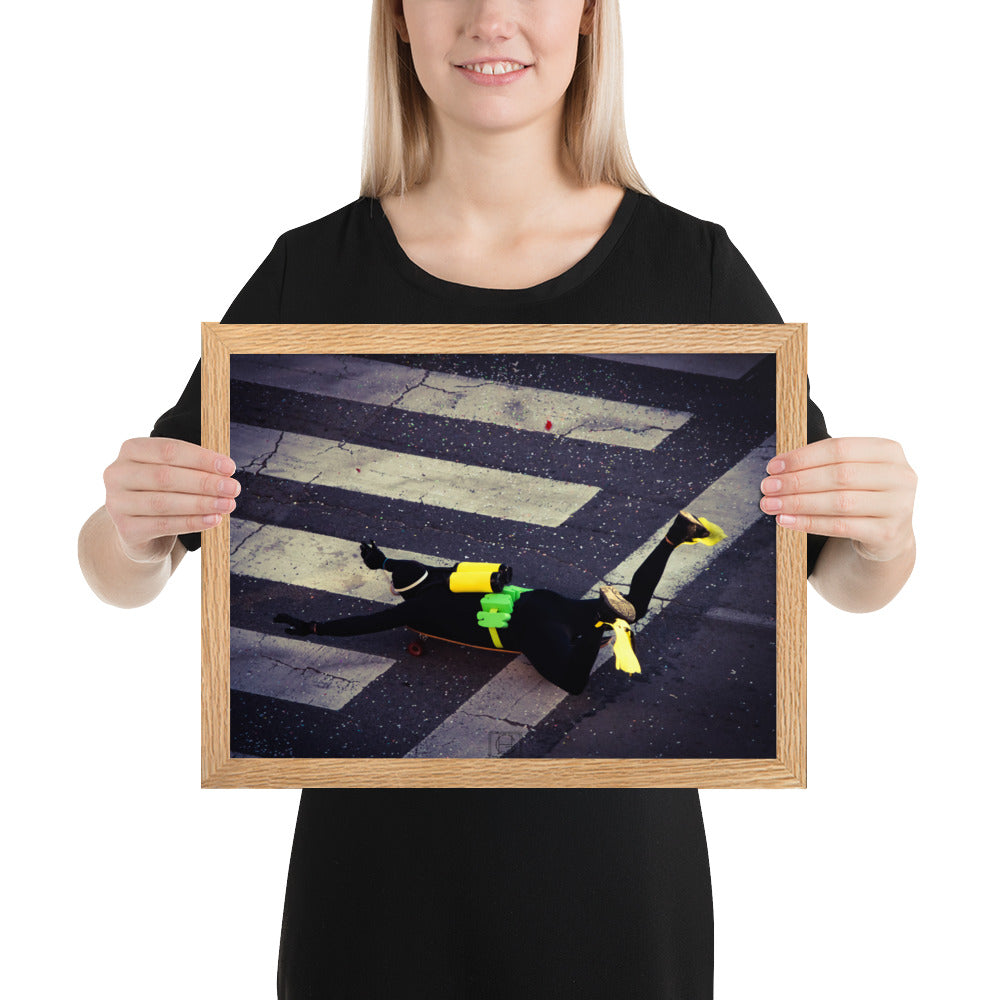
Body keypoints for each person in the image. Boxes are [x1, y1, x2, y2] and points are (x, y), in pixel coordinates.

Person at [78, 1, 917, 996]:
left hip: (615, 887)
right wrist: (131, 529)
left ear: (590, 17)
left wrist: (883, 530)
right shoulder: (313, 271)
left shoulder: (689, 269)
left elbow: (841, 576)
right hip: (372, 891)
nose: (491, 18)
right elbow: (125, 566)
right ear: (396, 18)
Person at [273, 511, 716, 696]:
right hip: (542, 602)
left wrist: (314, 628)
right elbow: (406, 566)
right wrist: (382, 560)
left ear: (403, 594)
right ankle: (674, 535)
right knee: (636, 603)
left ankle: (603, 629)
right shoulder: (449, 575)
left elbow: (366, 623)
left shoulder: (412, 610)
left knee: (575, 682)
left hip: (527, 631)